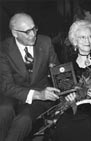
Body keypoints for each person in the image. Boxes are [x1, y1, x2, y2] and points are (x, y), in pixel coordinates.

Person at [0, 12, 61, 141]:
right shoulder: (3, 49)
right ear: (15, 33)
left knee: (24, 120)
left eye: (34, 29)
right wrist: (36, 94)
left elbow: (57, 73)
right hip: (13, 94)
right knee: (3, 112)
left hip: (42, 94)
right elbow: (6, 86)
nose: (33, 34)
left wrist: (63, 88)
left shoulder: (46, 42)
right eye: (27, 32)